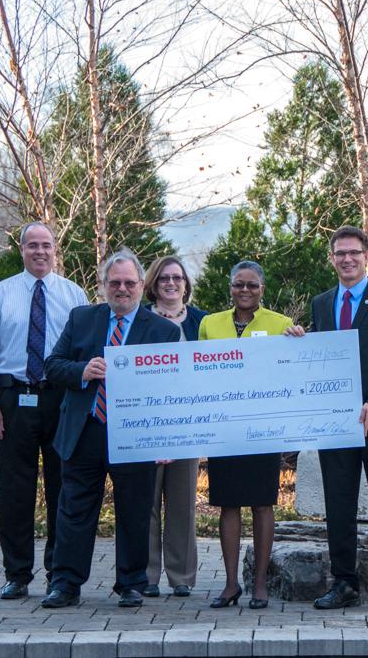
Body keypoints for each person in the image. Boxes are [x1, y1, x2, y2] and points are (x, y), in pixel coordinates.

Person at [40, 249, 181, 608]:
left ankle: (132, 583)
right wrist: (82, 371)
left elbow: (171, 391)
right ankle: (65, 583)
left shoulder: (163, 331)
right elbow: (53, 365)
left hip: (134, 435)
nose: (122, 289)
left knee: (134, 510)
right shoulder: (82, 319)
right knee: (73, 510)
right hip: (85, 429)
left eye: (129, 283)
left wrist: (164, 439)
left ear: (140, 286)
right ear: (103, 285)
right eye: (114, 282)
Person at [287, 226, 368, 612]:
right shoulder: (322, 303)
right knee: (339, 505)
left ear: (367, 255)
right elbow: (322, 357)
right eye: (340, 253)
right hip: (335, 423)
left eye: (354, 253)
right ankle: (344, 583)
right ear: (332, 258)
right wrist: (300, 341)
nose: (347, 259)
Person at [0, 222, 88, 600]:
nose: (40, 252)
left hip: (61, 401)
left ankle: (59, 573)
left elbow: (84, 354)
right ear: (21, 249)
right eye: (32, 245)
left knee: (63, 489)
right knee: (14, 490)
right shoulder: (2, 294)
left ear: (56, 250)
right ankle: (17, 574)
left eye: (47, 245)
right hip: (13, 401)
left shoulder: (74, 295)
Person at [198, 260, 292, 610]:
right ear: (230, 288)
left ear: (262, 289)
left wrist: (298, 340)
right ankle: (230, 583)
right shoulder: (210, 324)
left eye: (252, 285)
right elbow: (199, 372)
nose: (245, 291)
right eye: (239, 284)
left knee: (263, 502)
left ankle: (261, 584)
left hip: (263, 424)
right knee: (228, 503)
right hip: (225, 425)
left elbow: (291, 367)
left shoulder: (281, 324)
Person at [141, 256, 207, 598]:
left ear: (186, 283)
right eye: (164, 277)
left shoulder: (202, 321)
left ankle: (182, 577)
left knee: (182, 502)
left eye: (177, 277)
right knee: (146, 501)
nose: (171, 283)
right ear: (153, 282)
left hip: (189, 423)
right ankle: (147, 575)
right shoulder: (140, 319)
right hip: (148, 421)